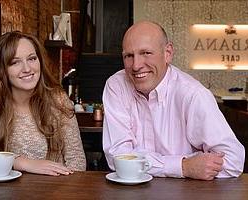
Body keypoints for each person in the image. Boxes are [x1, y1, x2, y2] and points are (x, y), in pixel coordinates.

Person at [102, 20, 245, 180]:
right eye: (129, 56)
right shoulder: (116, 85)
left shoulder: (193, 94)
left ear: (167, 53)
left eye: (146, 53)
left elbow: (234, 161)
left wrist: (142, 161)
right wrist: (183, 166)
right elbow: (117, 158)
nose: (136, 65)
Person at [0, 31, 86, 176]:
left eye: (32, 59)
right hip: (4, 192)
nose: (27, 69)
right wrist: (22, 163)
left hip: (54, 190)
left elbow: (77, 160)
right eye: (15, 62)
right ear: (2, 70)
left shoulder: (58, 99)